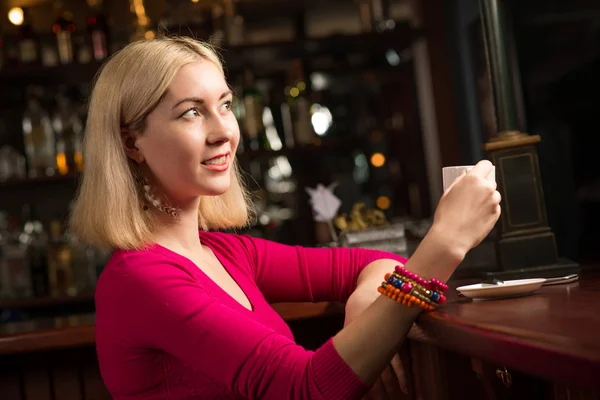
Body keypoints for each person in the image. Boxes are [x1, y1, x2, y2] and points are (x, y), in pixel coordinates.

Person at [69, 36, 501, 400]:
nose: (224, 131)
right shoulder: (142, 281)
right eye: (191, 112)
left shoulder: (225, 251)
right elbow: (306, 390)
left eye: (224, 105)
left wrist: (368, 305)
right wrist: (444, 245)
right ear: (131, 143)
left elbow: (372, 262)